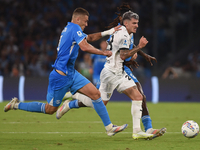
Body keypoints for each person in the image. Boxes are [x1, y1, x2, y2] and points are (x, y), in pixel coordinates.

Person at [4, 7, 128, 137]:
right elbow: (85, 46)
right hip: (60, 76)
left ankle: (109, 128)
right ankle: (16, 105)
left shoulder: (71, 29)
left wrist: (109, 31)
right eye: (85, 21)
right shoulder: (74, 28)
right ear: (77, 19)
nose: (87, 24)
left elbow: (89, 38)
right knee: (50, 109)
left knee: (96, 94)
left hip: (71, 73)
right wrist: (103, 52)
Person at [60, 4, 166, 139]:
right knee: (138, 96)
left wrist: (141, 53)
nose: (137, 26)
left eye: (137, 23)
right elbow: (123, 55)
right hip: (115, 72)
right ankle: (138, 131)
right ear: (125, 22)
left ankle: (73, 98)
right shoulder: (123, 34)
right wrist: (139, 47)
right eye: (134, 23)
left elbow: (126, 49)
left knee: (100, 102)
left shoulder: (124, 31)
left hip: (110, 71)